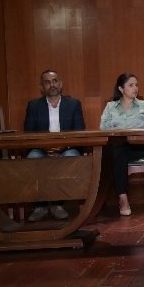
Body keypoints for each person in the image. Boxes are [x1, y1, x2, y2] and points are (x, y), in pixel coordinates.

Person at [24, 69, 86, 221]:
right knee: (32, 158)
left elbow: (79, 132)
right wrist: (46, 148)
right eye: (47, 82)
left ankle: (58, 204)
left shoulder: (73, 104)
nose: (51, 85)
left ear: (60, 84)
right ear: (42, 86)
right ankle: (41, 206)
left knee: (70, 157)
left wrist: (61, 148)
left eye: (55, 81)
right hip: (41, 150)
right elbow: (29, 134)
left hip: (67, 149)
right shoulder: (33, 105)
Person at [99, 73, 144, 216]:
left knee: (118, 152)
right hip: (119, 147)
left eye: (136, 85)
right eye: (131, 85)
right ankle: (123, 198)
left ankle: (122, 197)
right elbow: (103, 129)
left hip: (139, 147)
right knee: (118, 151)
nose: (135, 88)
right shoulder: (110, 107)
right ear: (121, 89)